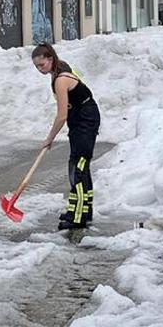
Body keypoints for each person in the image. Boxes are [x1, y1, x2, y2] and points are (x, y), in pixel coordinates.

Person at [32, 44, 100, 231]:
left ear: (51, 59)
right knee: (79, 166)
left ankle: (78, 218)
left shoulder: (61, 79)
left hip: (85, 120)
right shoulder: (60, 69)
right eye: (36, 66)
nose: (40, 69)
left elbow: (61, 115)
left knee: (78, 167)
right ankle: (83, 211)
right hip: (80, 118)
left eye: (42, 65)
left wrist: (49, 138)